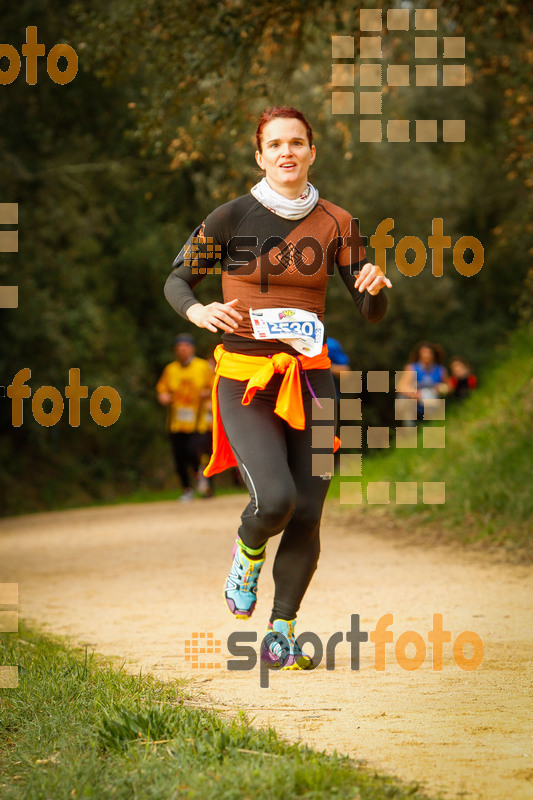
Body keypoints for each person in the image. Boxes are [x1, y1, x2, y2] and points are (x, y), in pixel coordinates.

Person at [164, 106, 391, 669]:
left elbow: (370, 309)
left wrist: (375, 285)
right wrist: (198, 311)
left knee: (309, 512)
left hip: (312, 382)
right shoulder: (232, 216)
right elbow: (177, 279)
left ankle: (281, 629)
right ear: (260, 155)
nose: (287, 152)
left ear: (313, 152)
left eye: (297, 143)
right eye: (275, 144)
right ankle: (247, 553)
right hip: (246, 381)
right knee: (276, 501)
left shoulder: (339, 222)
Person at [156, 334, 213, 501]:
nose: (182, 350)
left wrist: (206, 394)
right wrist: (163, 397)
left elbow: (216, 386)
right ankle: (187, 489)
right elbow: (162, 389)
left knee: (193, 452)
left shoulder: (202, 367)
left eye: (185, 346)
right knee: (179, 458)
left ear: (192, 348)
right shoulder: (170, 369)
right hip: (176, 423)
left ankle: (201, 478)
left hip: (198, 421)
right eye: (179, 347)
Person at [396, 341, 448, 426]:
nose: (426, 355)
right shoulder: (412, 368)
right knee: (403, 399)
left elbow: (449, 386)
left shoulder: (440, 370)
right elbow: (401, 387)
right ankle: (410, 431)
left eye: (429, 353)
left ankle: (434, 427)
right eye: (423, 353)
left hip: (433, 401)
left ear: (433, 355)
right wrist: (415, 394)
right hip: (415, 401)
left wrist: (441, 388)